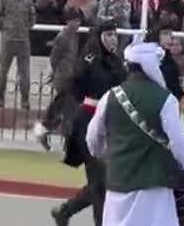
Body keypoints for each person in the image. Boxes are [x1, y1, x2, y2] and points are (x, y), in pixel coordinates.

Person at [86, 42, 184, 226]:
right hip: (154, 186)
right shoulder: (165, 99)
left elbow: (93, 139)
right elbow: (178, 141)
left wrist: (107, 156)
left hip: (118, 183)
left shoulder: (110, 96)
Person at [51, 22, 127, 226]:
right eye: (108, 34)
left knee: (103, 181)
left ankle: (65, 210)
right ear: (98, 36)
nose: (113, 38)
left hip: (111, 123)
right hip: (88, 123)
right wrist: (52, 120)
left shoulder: (118, 62)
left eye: (115, 34)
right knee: (100, 183)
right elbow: (69, 90)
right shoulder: (88, 61)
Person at [34, 8, 82, 150]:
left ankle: (43, 129)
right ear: (68, 21)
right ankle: (68, 142)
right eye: (75, 21)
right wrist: (56, 74)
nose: (78, 24)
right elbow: (54, 58)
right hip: (63, 78)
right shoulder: (62, 37)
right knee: (69, 111)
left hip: (71, 77)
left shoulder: (75, 37)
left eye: (79, 21)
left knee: (60, 109)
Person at [0, 0, 35, 109]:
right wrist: (5, 28)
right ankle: (0, 98)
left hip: (23, 41)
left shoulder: (28, 1)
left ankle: (25, 101)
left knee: (25, 72)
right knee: (3, 71)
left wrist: (24, 28)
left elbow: (32, 19)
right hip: (8, 40)